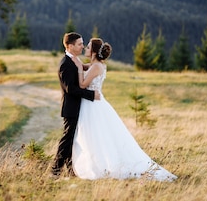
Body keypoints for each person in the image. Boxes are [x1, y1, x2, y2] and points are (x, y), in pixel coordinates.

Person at [71, 38, 177, 181]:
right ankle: (95, 163)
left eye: (88, 47)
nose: (85, 49)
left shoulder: (96, 67)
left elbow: (83, 85)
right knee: (95, 135)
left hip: (92, 105)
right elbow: (86, 67)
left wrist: (78, 68)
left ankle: (99, 166)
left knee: (95, 135)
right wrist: (78, 63)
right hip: (94, 102)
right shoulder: (97, 65)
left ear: (95, 52)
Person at [51, 32, 100, 176]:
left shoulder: (74, 60)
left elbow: (83, 69)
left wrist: (93, 65)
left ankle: (71, 170)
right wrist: (91, 95)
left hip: (80, 108)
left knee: (74, 139)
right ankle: (55, 170)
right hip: (71, 108)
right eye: (79, 44)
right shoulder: (65, 64)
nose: (82, 46)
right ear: (70, 46)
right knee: (67, 139)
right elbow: (70, 89)